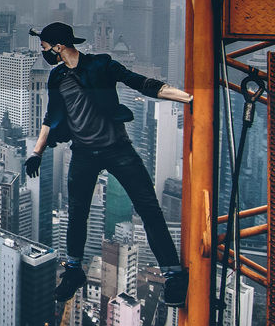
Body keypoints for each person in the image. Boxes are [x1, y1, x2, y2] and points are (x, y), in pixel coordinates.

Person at [24, 22, 193, 307]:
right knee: (76, 214)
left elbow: (139, 82)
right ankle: (74, 271)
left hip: (117, 149)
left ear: (58, 46)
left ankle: (174, 274)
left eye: (44, 47)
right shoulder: (57, 77)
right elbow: (51, 117)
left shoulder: (101, 65)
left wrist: (187, 98)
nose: (43, 52)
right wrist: (37, 152)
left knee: (149, 208)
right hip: (83, 152)